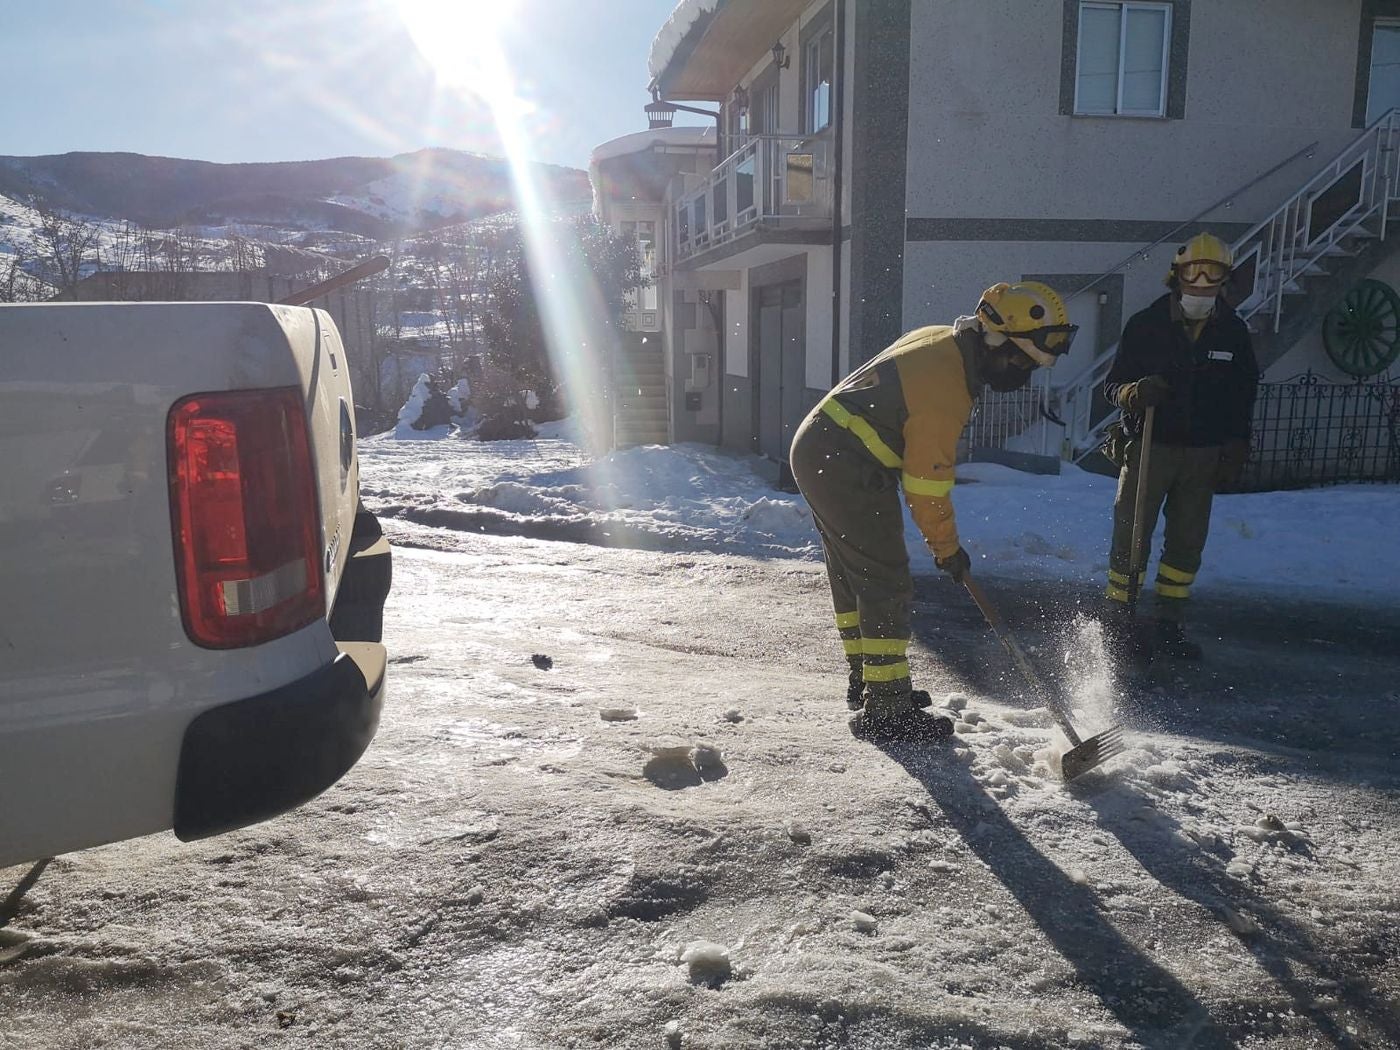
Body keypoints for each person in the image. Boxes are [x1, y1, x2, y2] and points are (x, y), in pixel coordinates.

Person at [790, 282, 1078, 741]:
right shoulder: (946, 386)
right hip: (843, 460)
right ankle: (886, 709)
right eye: (1022, 361)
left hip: (825, 448)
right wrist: (947, 549)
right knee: (885, 578)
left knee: (854, 572)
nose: (1022, 374)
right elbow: (926, 483)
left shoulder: (942, 339)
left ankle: (870, 681)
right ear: (997, 340)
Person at [1101, 232, 1259, 663]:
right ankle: (1120, 623)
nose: (1202, 285)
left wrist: (1236, 444)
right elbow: (1111, 386)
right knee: (1131, 539)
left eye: (1213, 278)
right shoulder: (1146, 325)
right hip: (1151, 449)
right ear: (1177, 277)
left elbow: (1244, 393)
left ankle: (1168, 625)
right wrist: (1134, 393)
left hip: (1203, 455)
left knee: (1186, 544)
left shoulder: (1232, 331)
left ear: (1224, 282)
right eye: (1193, 275)